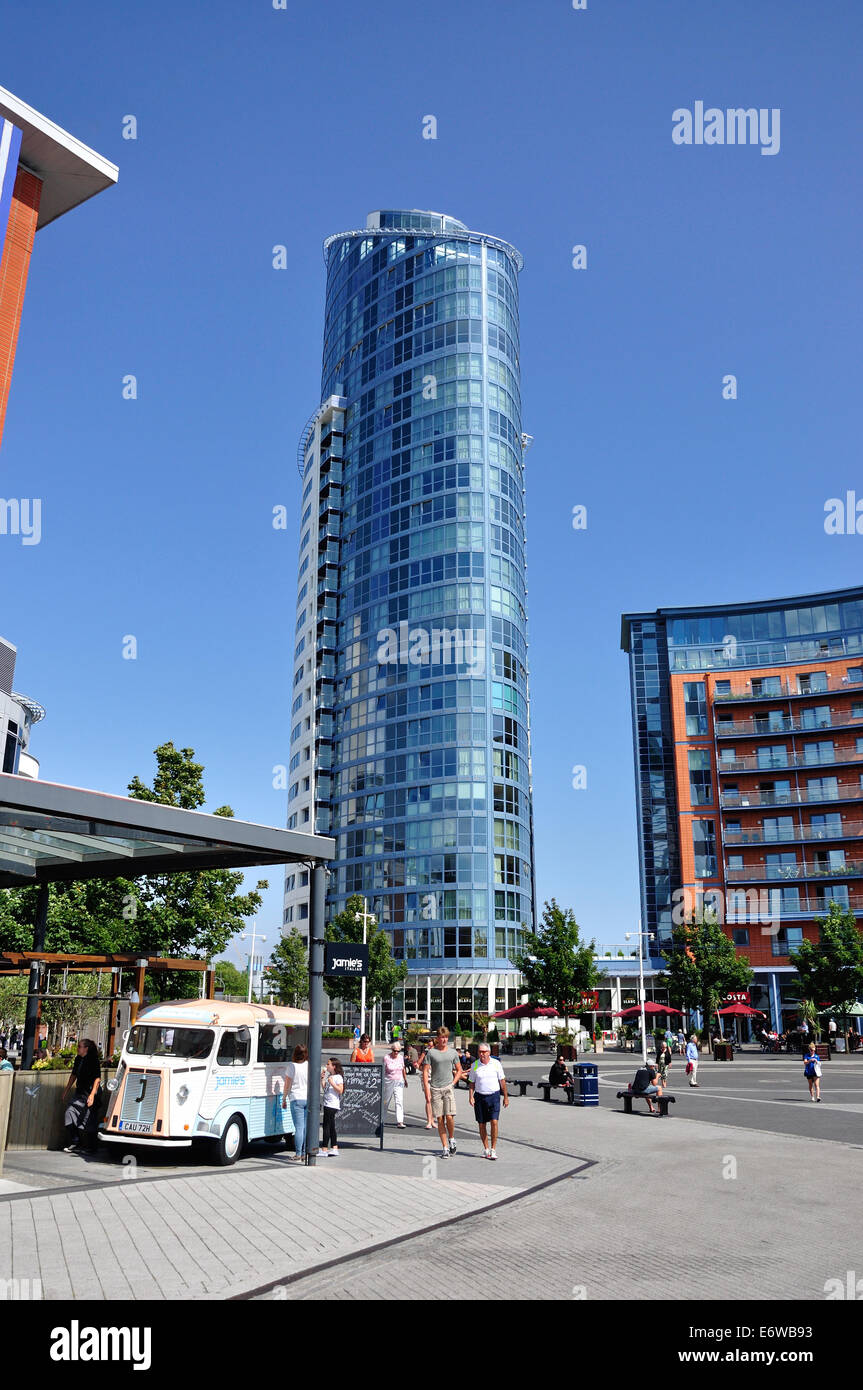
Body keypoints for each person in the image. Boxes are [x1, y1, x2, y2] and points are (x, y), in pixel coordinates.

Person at [422, 1026, 465, 1157]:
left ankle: (451, 1139)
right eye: (442, 1037)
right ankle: (445, 1147)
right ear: (437, 1039)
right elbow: (425, 1071)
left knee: (450, 1117)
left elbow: (459, 1070)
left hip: (448, 1088)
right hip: (435, 1088)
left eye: (446, 1037)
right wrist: (427, 1090)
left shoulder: (452, 1053)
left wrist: (453, 1083)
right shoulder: (431, 1053)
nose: (444, 1039)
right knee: (440, 1119)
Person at [61, 1039, 102, 1153]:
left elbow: (97, 1078)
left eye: (79, 1046)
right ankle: (75, 1141)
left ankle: (91, 1147)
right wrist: (66, 1090)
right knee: (69, 1113)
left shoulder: (93, 1060)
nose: (77, 1048)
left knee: (88, 1119)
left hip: (89, 1093)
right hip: (79, 1092)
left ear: (86, 1049)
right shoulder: (79, 1059)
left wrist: (92, 1094)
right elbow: (73, 1075)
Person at [469, 1043, 508, 1159]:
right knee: (481, 1124)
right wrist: (471, 1096)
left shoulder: (496, 1064)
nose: (482, 1054)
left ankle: (493, 1149)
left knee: (494, 1122)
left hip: (494, 1096)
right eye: (480, 1052)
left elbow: (502, 1081)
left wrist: (505, 1097)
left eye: (484, 1052)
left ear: (489, 1052)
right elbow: (471, 1082)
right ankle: (486, 1149)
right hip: (480, 1096)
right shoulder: (475, 1065)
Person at [282, 1043, 309, 1160]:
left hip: (296, 1098)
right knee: (305, 1127)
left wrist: (284, 1099)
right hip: (307, 1098)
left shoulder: (291, 1066)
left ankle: (298, 1153)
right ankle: (304, 1152)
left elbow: (287, 1085)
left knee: (298, 1128)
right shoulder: (309, 1065)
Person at [320, 1057, 345, 1155]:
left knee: (326, 1126)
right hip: (327, 1103)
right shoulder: (330, 1076)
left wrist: (332, 1083)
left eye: (328, 1064)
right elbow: (325, 1088)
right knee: (331, 1126)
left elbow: (340, 1090)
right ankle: (334, 1147)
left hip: (332, 1104)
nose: (326, 1066)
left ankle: (324, 1148)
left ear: (334, 1066)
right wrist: (322, 1078)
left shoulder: (338, 1077)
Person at [383, 1039, 408, 1127]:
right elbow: (383, 1070)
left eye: (398, 1051)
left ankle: (400, 1121)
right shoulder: (386, 1058)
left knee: (399, 1101)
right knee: (386, 1101)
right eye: (395, 1051)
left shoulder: (400, 1057)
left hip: (399, 1080)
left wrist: (405, 1079)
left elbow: (403, 1069)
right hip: (388, 1080)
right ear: (392, 1050)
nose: (396, 1053)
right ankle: (382, 1119)